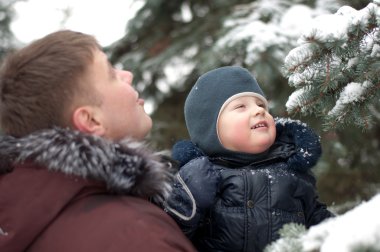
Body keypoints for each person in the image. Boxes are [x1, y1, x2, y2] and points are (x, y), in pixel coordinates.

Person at [0, 30, 195, 252]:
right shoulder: (137, 237)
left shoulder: (25, 219)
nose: (128, 75)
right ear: (91, 120)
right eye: (111, 74)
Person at [164, 66, 334, 252]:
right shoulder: (201, 178)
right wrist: (187, 201)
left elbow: (324, 227)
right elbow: (168, 236)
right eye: (240, 107)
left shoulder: (291, 171)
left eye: (261, 105)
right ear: (210, 130)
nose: (259, 111)